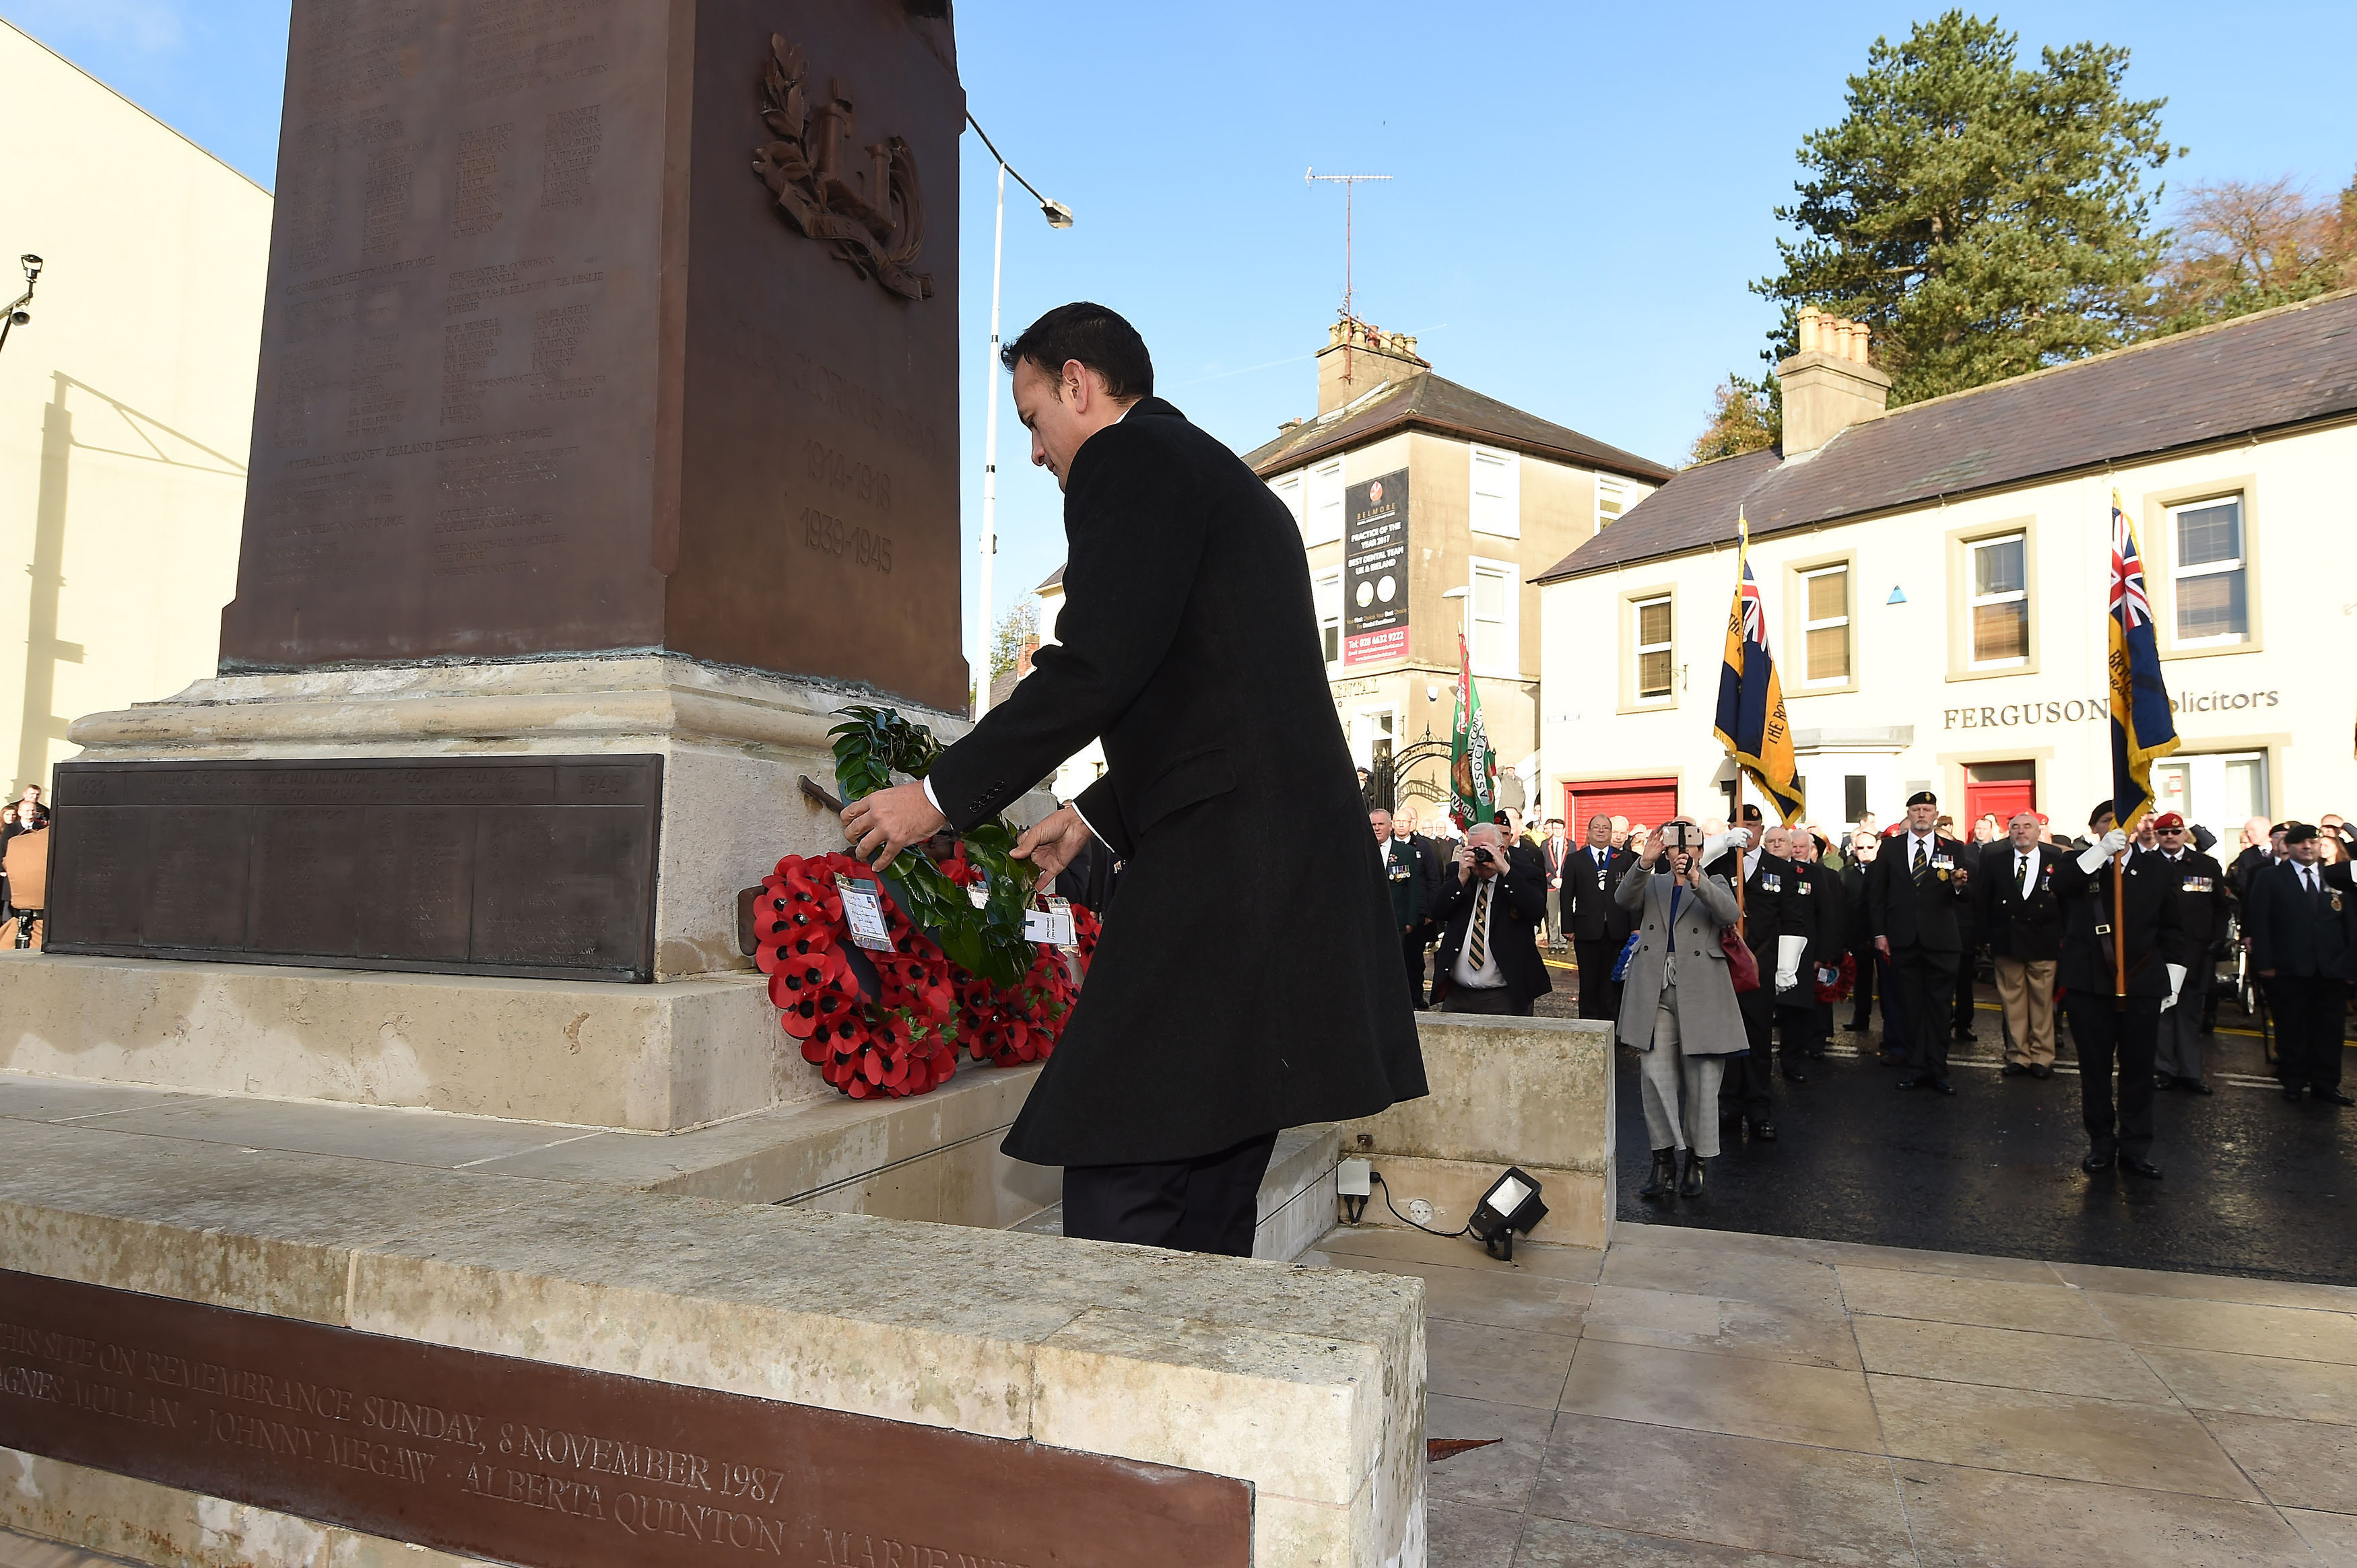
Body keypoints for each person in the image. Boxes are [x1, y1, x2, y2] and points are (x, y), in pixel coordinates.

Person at [839, 302, 1425, 1255]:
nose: (1035, 451)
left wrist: (935, 797)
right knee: (1213, 1169)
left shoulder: (1127, 461)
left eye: (1033, 418)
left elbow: (1095, 666)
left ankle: (1122, 1355)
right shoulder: (1225, 480)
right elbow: (1222, 693)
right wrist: (1093, 814)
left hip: (1224, 871)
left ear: (1077, 384)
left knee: (1122, 1163)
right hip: (1287, 871)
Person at [2054, 803, 2188, 1178]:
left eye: (2122, 821)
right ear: (2094, 828)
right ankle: (2101, 1144)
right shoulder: (2079, 863)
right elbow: (2061, 886)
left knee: (2139, 1069)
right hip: (2089, 984)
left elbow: (2172, 927)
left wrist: (2173, 978)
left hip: (2141, 982)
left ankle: (2135, 1147)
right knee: (2094, 1070)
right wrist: (2100, 852)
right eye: (2106, 822)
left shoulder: (2156, 868)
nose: (2115, 827)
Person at [1616, 817, 1747, 1200]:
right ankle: (1663, 1158)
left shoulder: (1713, 881)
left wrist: (1696, 880)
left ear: (1701, 851)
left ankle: (1697, 1159)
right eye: (1675, 846)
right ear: (1666, 850)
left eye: (1690, 846)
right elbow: (1623, 901)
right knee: (1655, 1076)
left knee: (1703, 1080)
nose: (1682, 853)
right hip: (1654, 987)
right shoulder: (1653, 882)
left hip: (1702, 992)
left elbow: (1729, 914)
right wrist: (1644, 861)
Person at [1867, 790, 1972, 1094]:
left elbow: (1965, 894)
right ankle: (1915, 1068)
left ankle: (1937, 1069)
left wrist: (1958, 886)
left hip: (1941, 941)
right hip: (1903, 940)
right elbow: (1878, 894)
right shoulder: (1891, 848)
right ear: (1909, 814)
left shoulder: (1953, 849)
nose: (1922, 814)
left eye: (1927, 809)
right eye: (1916, 810)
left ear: (1936, 814)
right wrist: (1880, 934)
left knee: (1939, 1009)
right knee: (1910, 1007)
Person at [1709, 808, 1803, 1139]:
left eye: (1753, 825)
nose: (1747, 831)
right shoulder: (1718, 865)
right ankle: (1729, 1105)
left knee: (1759, 1039)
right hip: (1723, 964)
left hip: (1761, 965)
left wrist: (1787, 966)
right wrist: (1721, 843)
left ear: (1762, 829)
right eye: (1740, 825)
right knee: (1726, 1039)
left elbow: (1793, 918)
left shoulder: (1780, 869)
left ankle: (1760, 1109)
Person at [2245, 823, 2354, 1106]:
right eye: (2301, 843)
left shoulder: (2336, 878)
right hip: (2288, 967)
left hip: (2330, 968)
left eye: (2312, 842)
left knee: (2330, 1030)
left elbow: (2350, 924)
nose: (2307, 847)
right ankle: (2293, 1080)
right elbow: (2260, 922)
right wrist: (2265, 963)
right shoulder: (2270, 877)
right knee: (2291, 1027)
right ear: (2288, 847)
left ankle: (2326, 1084)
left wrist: (2351, 966)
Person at [2144, 812, 2231, 1094]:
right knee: (2162, 1013)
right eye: (2164, 832)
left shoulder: (2206, 864)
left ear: (2185, 835)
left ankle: (2191, 1073)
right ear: (2156, 835)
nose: (2170, 836)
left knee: (2190, 1014)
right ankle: (2164, 1070)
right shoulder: (2146, 864)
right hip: (2158, 951)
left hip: (2196, 951)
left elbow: (2221, 908)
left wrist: (2217, 940)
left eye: (2175, 832)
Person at [1428, 821, 1551, 1016]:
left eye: (1485, 849)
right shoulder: (1458, 874)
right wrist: (1461, 878)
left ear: (1501, 850)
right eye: (1473, 850)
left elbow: (1535, 910)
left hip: (1505, 995)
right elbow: (1437, 911)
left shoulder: (1524, 875)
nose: (1480, 856)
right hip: (1458, 995)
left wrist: (1505, 872)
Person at [1980, 810, 2066, 1079]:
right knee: (2013, 1003)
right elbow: (1984, 901)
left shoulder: (2056, 858)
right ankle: (2018, 1055)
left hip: (2044, 940)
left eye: (2027, 826)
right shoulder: (1996, 860)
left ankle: (2042, 1056)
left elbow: (2066, 901)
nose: (2021, 831)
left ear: (2039, 832)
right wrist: (1986, 938)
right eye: (2015, 827)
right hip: (2007, 940)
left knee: (2042, 1003)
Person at [1781, 828, 1847, 1062]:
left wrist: (1827, 952)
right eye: (1794, 846)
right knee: (1791, 1005)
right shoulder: (1780, 871)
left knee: (1818, 1001)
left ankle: (1816, 1041)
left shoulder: (1825, 876)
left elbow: (1831, 916)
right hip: (1785, 950)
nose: (1798, 850)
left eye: (1802, 847)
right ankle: (1793, 1050)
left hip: (1813, 950)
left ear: (1812, 850)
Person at [1564, 813, 1637, 1022]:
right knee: (1589, 981)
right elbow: (1567, 895)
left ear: (1611, 832)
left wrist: (1635, 926)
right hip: (1586, 930)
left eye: (1605, 827)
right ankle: (1589, 1023)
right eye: (1596, 827)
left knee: (1613, 981)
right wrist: (1567, 926)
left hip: (1617, 929)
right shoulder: (1575, 859)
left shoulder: (1625, 858)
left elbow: (1633, 894)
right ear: (1588, 832)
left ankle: (1612, 1024)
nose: (1601, 831)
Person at [1373, 807, 1432, 1011]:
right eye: (1373, 825)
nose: (1377, 828)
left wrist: (1411, 920)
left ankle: (1402, 1001)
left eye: (1381, 824)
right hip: (1372, 920)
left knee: (1401, 963)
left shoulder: (1406, 852)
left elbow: (1414, 889)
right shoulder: (1362, 851)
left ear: (1390, 826)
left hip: (1398, 919)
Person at [1541, 818, 1570, 953]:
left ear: (1564, 830)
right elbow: (1542, 865)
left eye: (1559, 828)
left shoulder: (1571, 845)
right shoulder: (1545, 845)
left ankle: (1563, 943)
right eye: (1555, 828)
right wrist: (1551, 879)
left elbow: (1573, 865)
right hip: (1551, 885)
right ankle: (1553, 943)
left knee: (1565, 915)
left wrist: (1565, 880)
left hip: (1565, 885)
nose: (1557, 831)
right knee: (1552, 916)